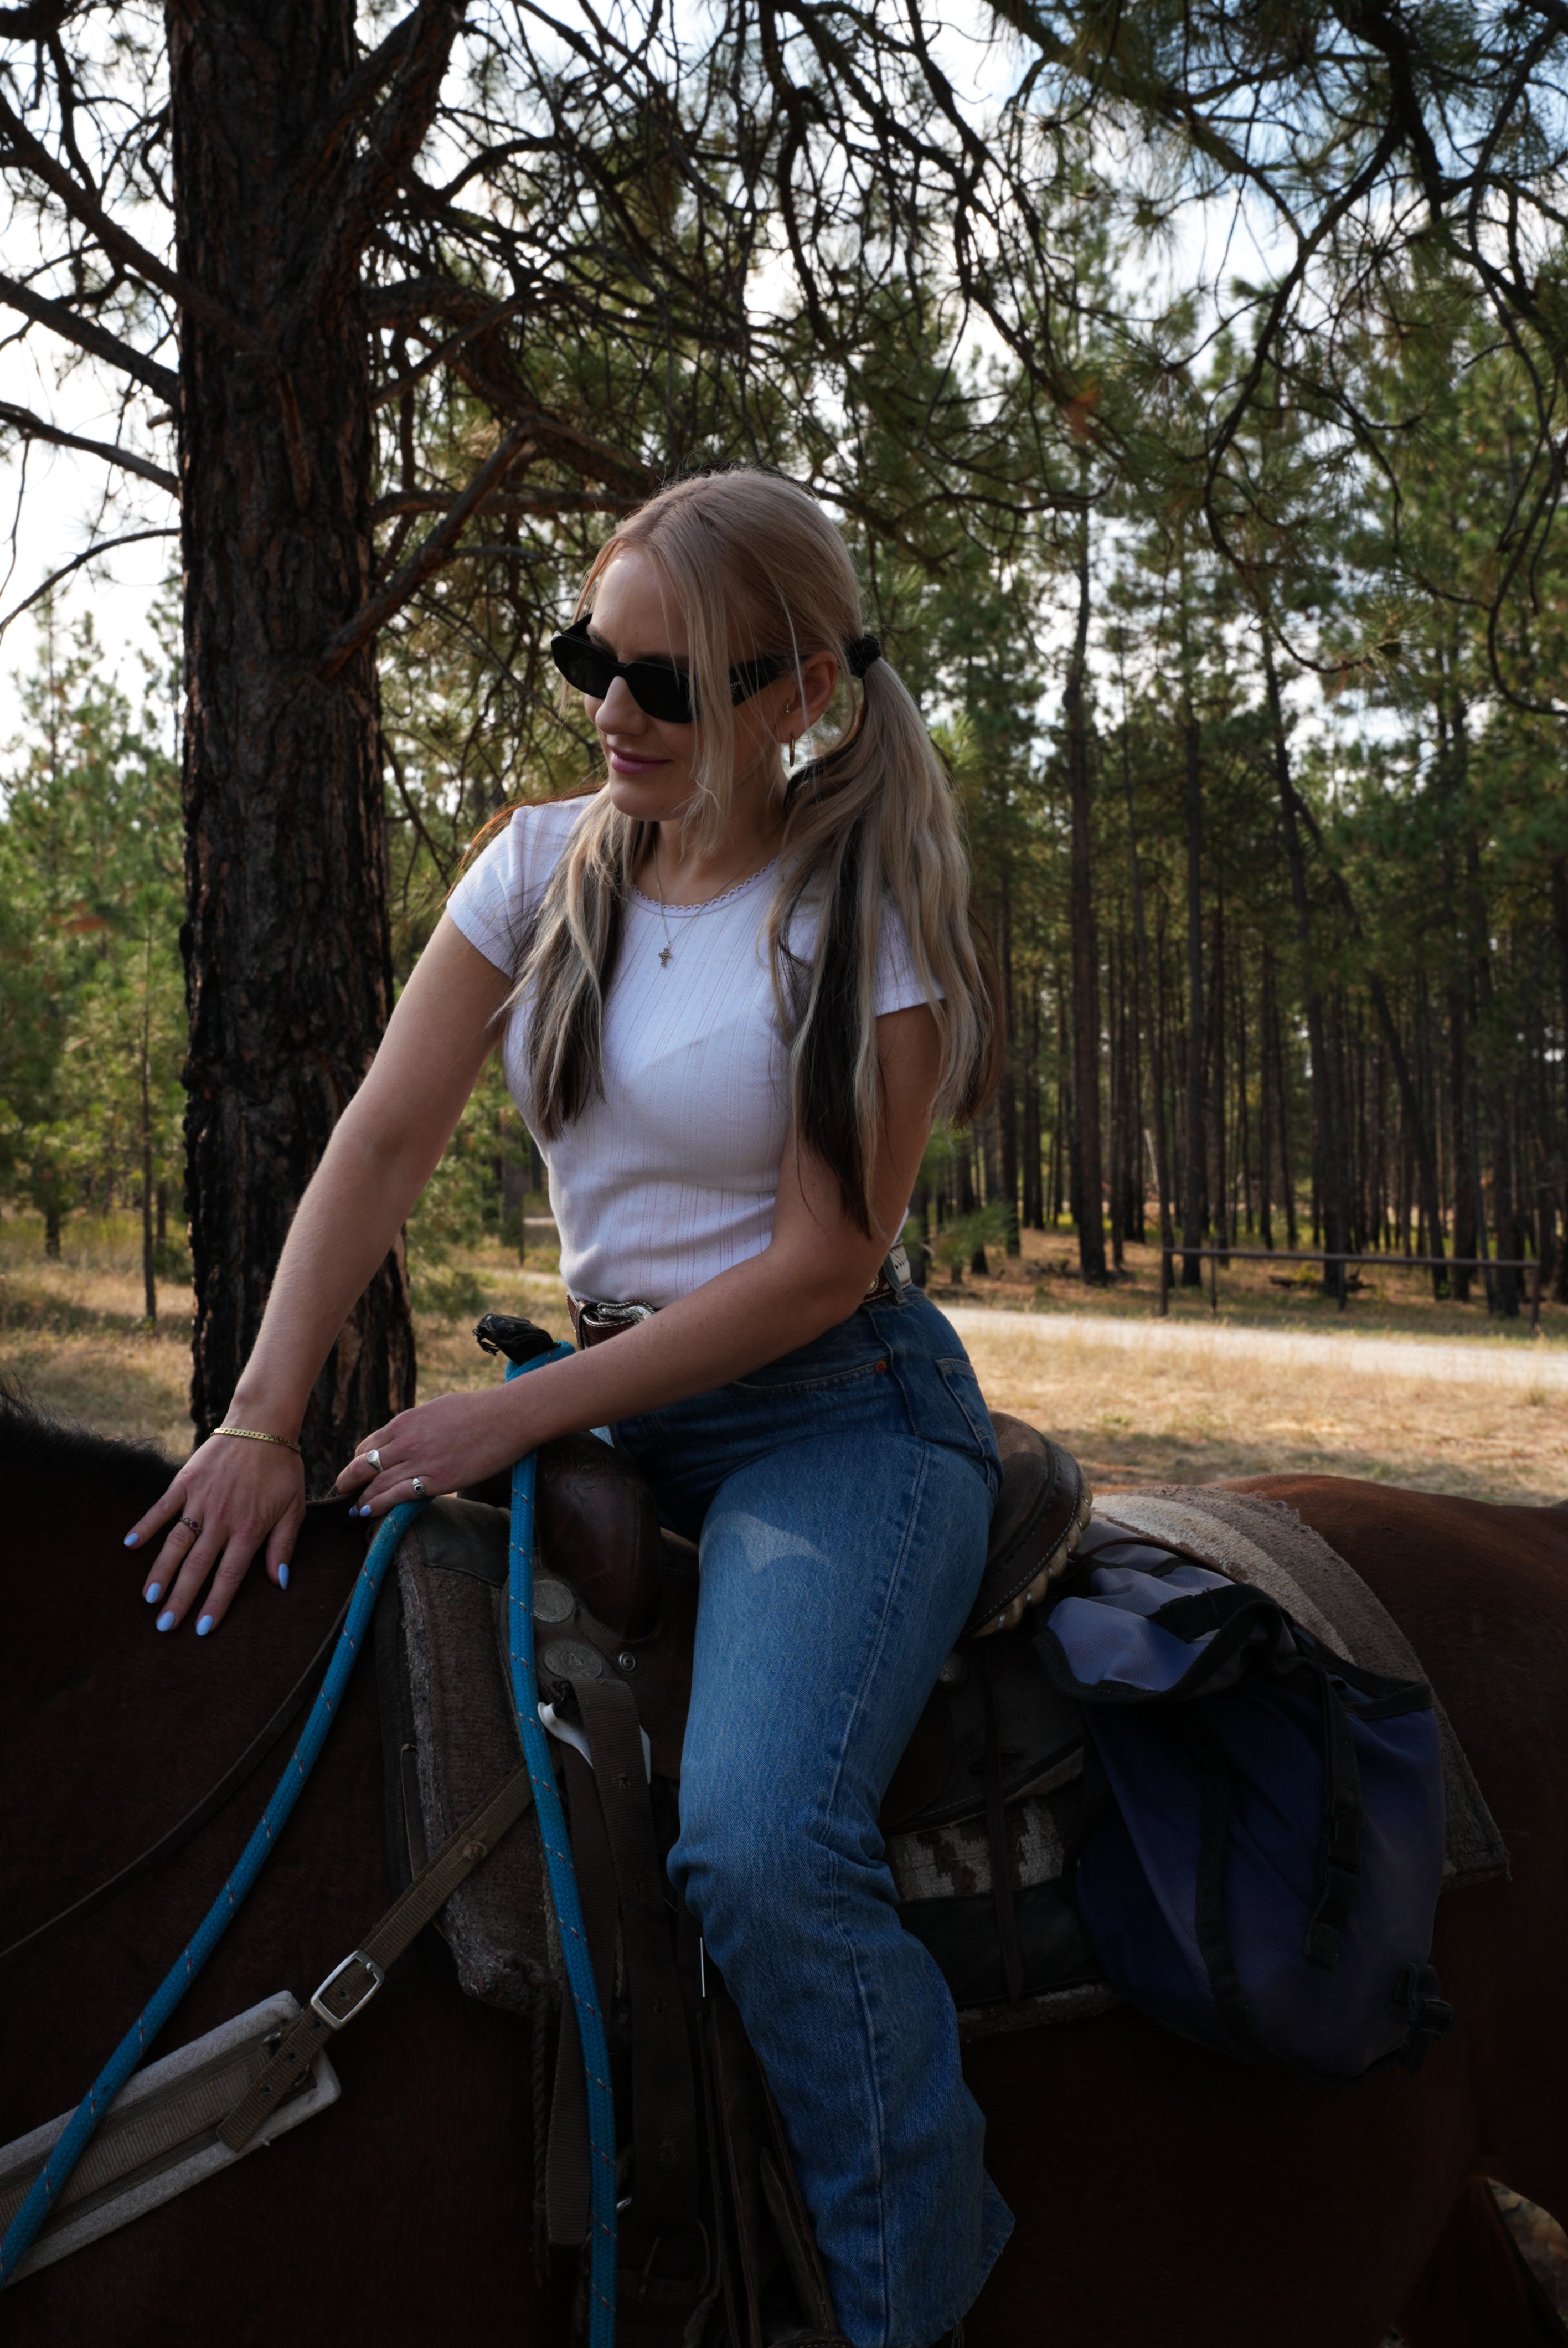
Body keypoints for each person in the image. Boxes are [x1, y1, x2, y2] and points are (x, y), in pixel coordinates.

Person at [126, 468, 1012, 2348]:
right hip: (613, 1407)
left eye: (661, 680)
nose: (608, 707)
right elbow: (381, 1135)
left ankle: (909, 2302)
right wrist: (264, 1417)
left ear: (796, 698)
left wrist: (509, 1422)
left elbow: (822, 1264)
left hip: (833, 1418)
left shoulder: (864, 907)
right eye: (584, 658)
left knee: (763, 1848)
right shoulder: (541, 867)